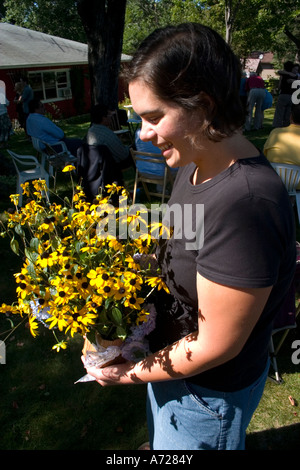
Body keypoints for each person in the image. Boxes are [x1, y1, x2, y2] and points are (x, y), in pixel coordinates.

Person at [83, 23, 296, 451]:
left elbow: (215, 345)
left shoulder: (246, 204)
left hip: (205, 395)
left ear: (202, 106)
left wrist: (125, 373)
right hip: (170, 366)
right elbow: (181, 233)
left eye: (154, 117)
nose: (142, 133)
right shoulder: (193, 162)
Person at [85, 104, 133, 169]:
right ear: (103, 118)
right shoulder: (106, 133)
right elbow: (123, 155)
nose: (111, 118)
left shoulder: (91, 131)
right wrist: (130, 148)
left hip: (98, 165)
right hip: (112, 165)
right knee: (136, 150)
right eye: (109, 115)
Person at [264, 103, 300, 188]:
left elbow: (265, 154)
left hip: (274, 180)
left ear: (291, 117)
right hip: (297, 184)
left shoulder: (275, 132)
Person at [272, 61, 298, 128]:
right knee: (288, 112)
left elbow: (280, 85)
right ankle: (286, 125)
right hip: (291, 96)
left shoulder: (284, 75)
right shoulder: (295, 76)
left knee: (280, 111)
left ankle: (277, 125)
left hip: (284, 94)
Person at [0, 80, 13, 148]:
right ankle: (5, 143)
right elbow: (7, 103)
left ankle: (2, 143)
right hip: (3, 114)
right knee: (6, 128)